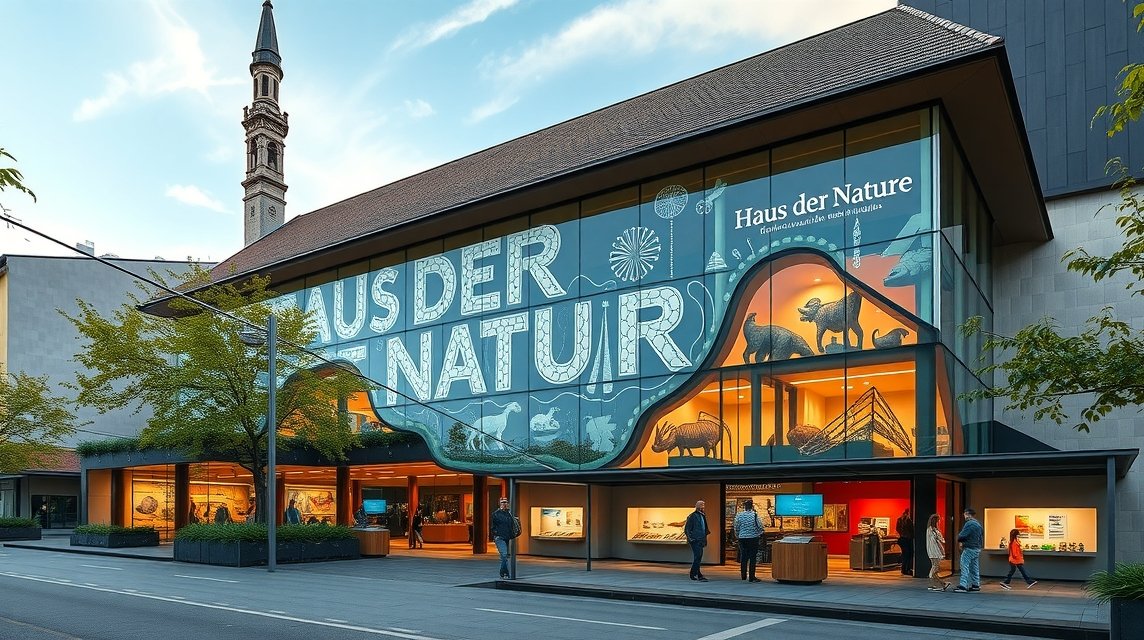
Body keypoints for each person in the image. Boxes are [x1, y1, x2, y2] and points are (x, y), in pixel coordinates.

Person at [733, 499, 764, 582]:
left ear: (744, 507)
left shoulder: (739, 515)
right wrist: (759, 533)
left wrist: (738, 535)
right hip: (753, 538)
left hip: (742, 538)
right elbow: (760, 526)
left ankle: (743, 576)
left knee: (743, 557)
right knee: (752, 558)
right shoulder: (755, 515)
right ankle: (752, 577)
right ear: (752, 506)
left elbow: (736, 527)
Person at [953, 507, 983, 593]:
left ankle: (963, 585)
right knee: (974, 567)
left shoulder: (969, 524)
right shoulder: (978, 524)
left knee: (964, 566)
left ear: (967, 514)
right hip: (977, 548)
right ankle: (975, 585)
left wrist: (959, 539)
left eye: (965, 515)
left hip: (969, 548)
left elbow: (962, 536)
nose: (964, 516)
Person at [490, 498, 518, 579]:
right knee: (504, 555)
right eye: (502, 502)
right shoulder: (496, 514)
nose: (504, 504)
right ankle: (504, 573)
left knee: (504, 557)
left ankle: (504, 572)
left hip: (507, 537)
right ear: (499, 504)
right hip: (499, 537)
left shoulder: (509, 514)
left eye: (506, 502)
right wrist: (496, 534)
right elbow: (493, 526)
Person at [684, 500, 710, 582]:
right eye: (701, 505)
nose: (703, 506)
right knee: (697, 556)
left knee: (698, 557)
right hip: (695, 540)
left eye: (703, 505)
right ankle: (694, 573)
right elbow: (687, 528)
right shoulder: (692, 516)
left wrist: (705, 539)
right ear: (697, 506)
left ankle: (697, 574)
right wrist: (690, 538)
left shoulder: (703, 515)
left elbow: (704, 528)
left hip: (701, 539)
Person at [925, 513, 950, 592]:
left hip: (935, 552)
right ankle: (939, 584)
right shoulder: (931, 530)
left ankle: (935, 584)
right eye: (937, 520)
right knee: (934, 568)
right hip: (934, 552)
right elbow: (938, 541)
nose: (938, 522)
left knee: (935, 568)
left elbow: (941, 540)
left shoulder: (934, 530)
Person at [897, 508, 915, 576]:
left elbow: (897, 529)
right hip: (908, 539)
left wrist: (901, 534)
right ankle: (907, 569)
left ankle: (904, 569)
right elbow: (912, 530)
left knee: (905, 554)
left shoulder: (899, 519)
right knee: (909, 554)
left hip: (902, 539)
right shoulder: (909, 520)